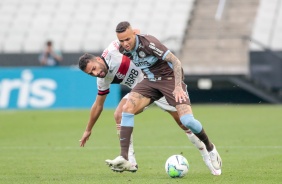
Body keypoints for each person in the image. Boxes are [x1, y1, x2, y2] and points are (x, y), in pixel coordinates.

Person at [78, 40, 216, 174]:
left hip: (158, 81)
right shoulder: (102, 79)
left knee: (184, 123)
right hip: (142, 92)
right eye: (91, 73)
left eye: (94, 69)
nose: (95, 73)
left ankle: (205, 152)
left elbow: (133, 35)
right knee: (119, 114)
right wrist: (88, 130)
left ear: (98, 59)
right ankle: (130, 161)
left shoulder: (113, 50)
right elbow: (98, 105)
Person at [105, 21, 222, 175]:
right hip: (149, 82)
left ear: (134, 34)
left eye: (128, 39)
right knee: (127, 108)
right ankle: (125, 157)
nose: (125, 44)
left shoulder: (150, 44)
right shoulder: (123, 49)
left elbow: (176, 61)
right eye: (121, 40)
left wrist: (178, 86)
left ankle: (210, 148)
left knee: (186, 121)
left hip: (169, 80)